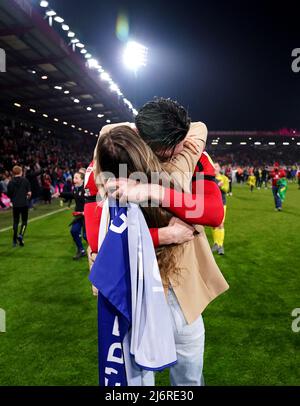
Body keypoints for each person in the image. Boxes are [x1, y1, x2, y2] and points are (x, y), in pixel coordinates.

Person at [95, 98, 229, 386]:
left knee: (189, 373)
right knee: (139, 375)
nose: (184, 148)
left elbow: (214, 212)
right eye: (175, 145)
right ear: (147, 143)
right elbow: (104, 236)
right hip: (135, 286)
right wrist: (163, 235)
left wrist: (155, 192)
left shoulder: (195, 156)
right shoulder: (117, 156)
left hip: (181, 287)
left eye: (184, 140)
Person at [54, 172, 86, 259]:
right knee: (74, 231)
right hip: (78, 215)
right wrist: (60, 194)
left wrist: (86, 211)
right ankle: (81, 250)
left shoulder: (86, 189)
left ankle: (98, 252)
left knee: (86, 236)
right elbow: (71, 195)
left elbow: (91, 200)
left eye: (76, 178)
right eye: (74, 178)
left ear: (82, 180)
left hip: (86, 215)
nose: (73, 180)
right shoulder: (76, 189)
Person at [7, 166, 31, 247]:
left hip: (15, 204)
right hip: (24, 204)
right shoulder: (25, 180)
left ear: (13, 173)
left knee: (15, 222)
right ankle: (21, 235)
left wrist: (13, 199)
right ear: (20, 172)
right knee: (24, 221)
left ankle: (14, 240)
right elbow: (29, 193)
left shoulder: (10, 182)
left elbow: (9, 194)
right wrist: (27, 197)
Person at [211, 163, 229, 255]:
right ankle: (215, 243)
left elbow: (226, 189)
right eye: (213, 166)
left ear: (219, 168)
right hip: (212, 203)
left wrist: (221, 185)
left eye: (216, 166)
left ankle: (221, 245)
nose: (214, 167)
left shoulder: (224, 178)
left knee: (221, 224)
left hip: (222, 204)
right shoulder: (210, 178)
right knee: (214, 224)